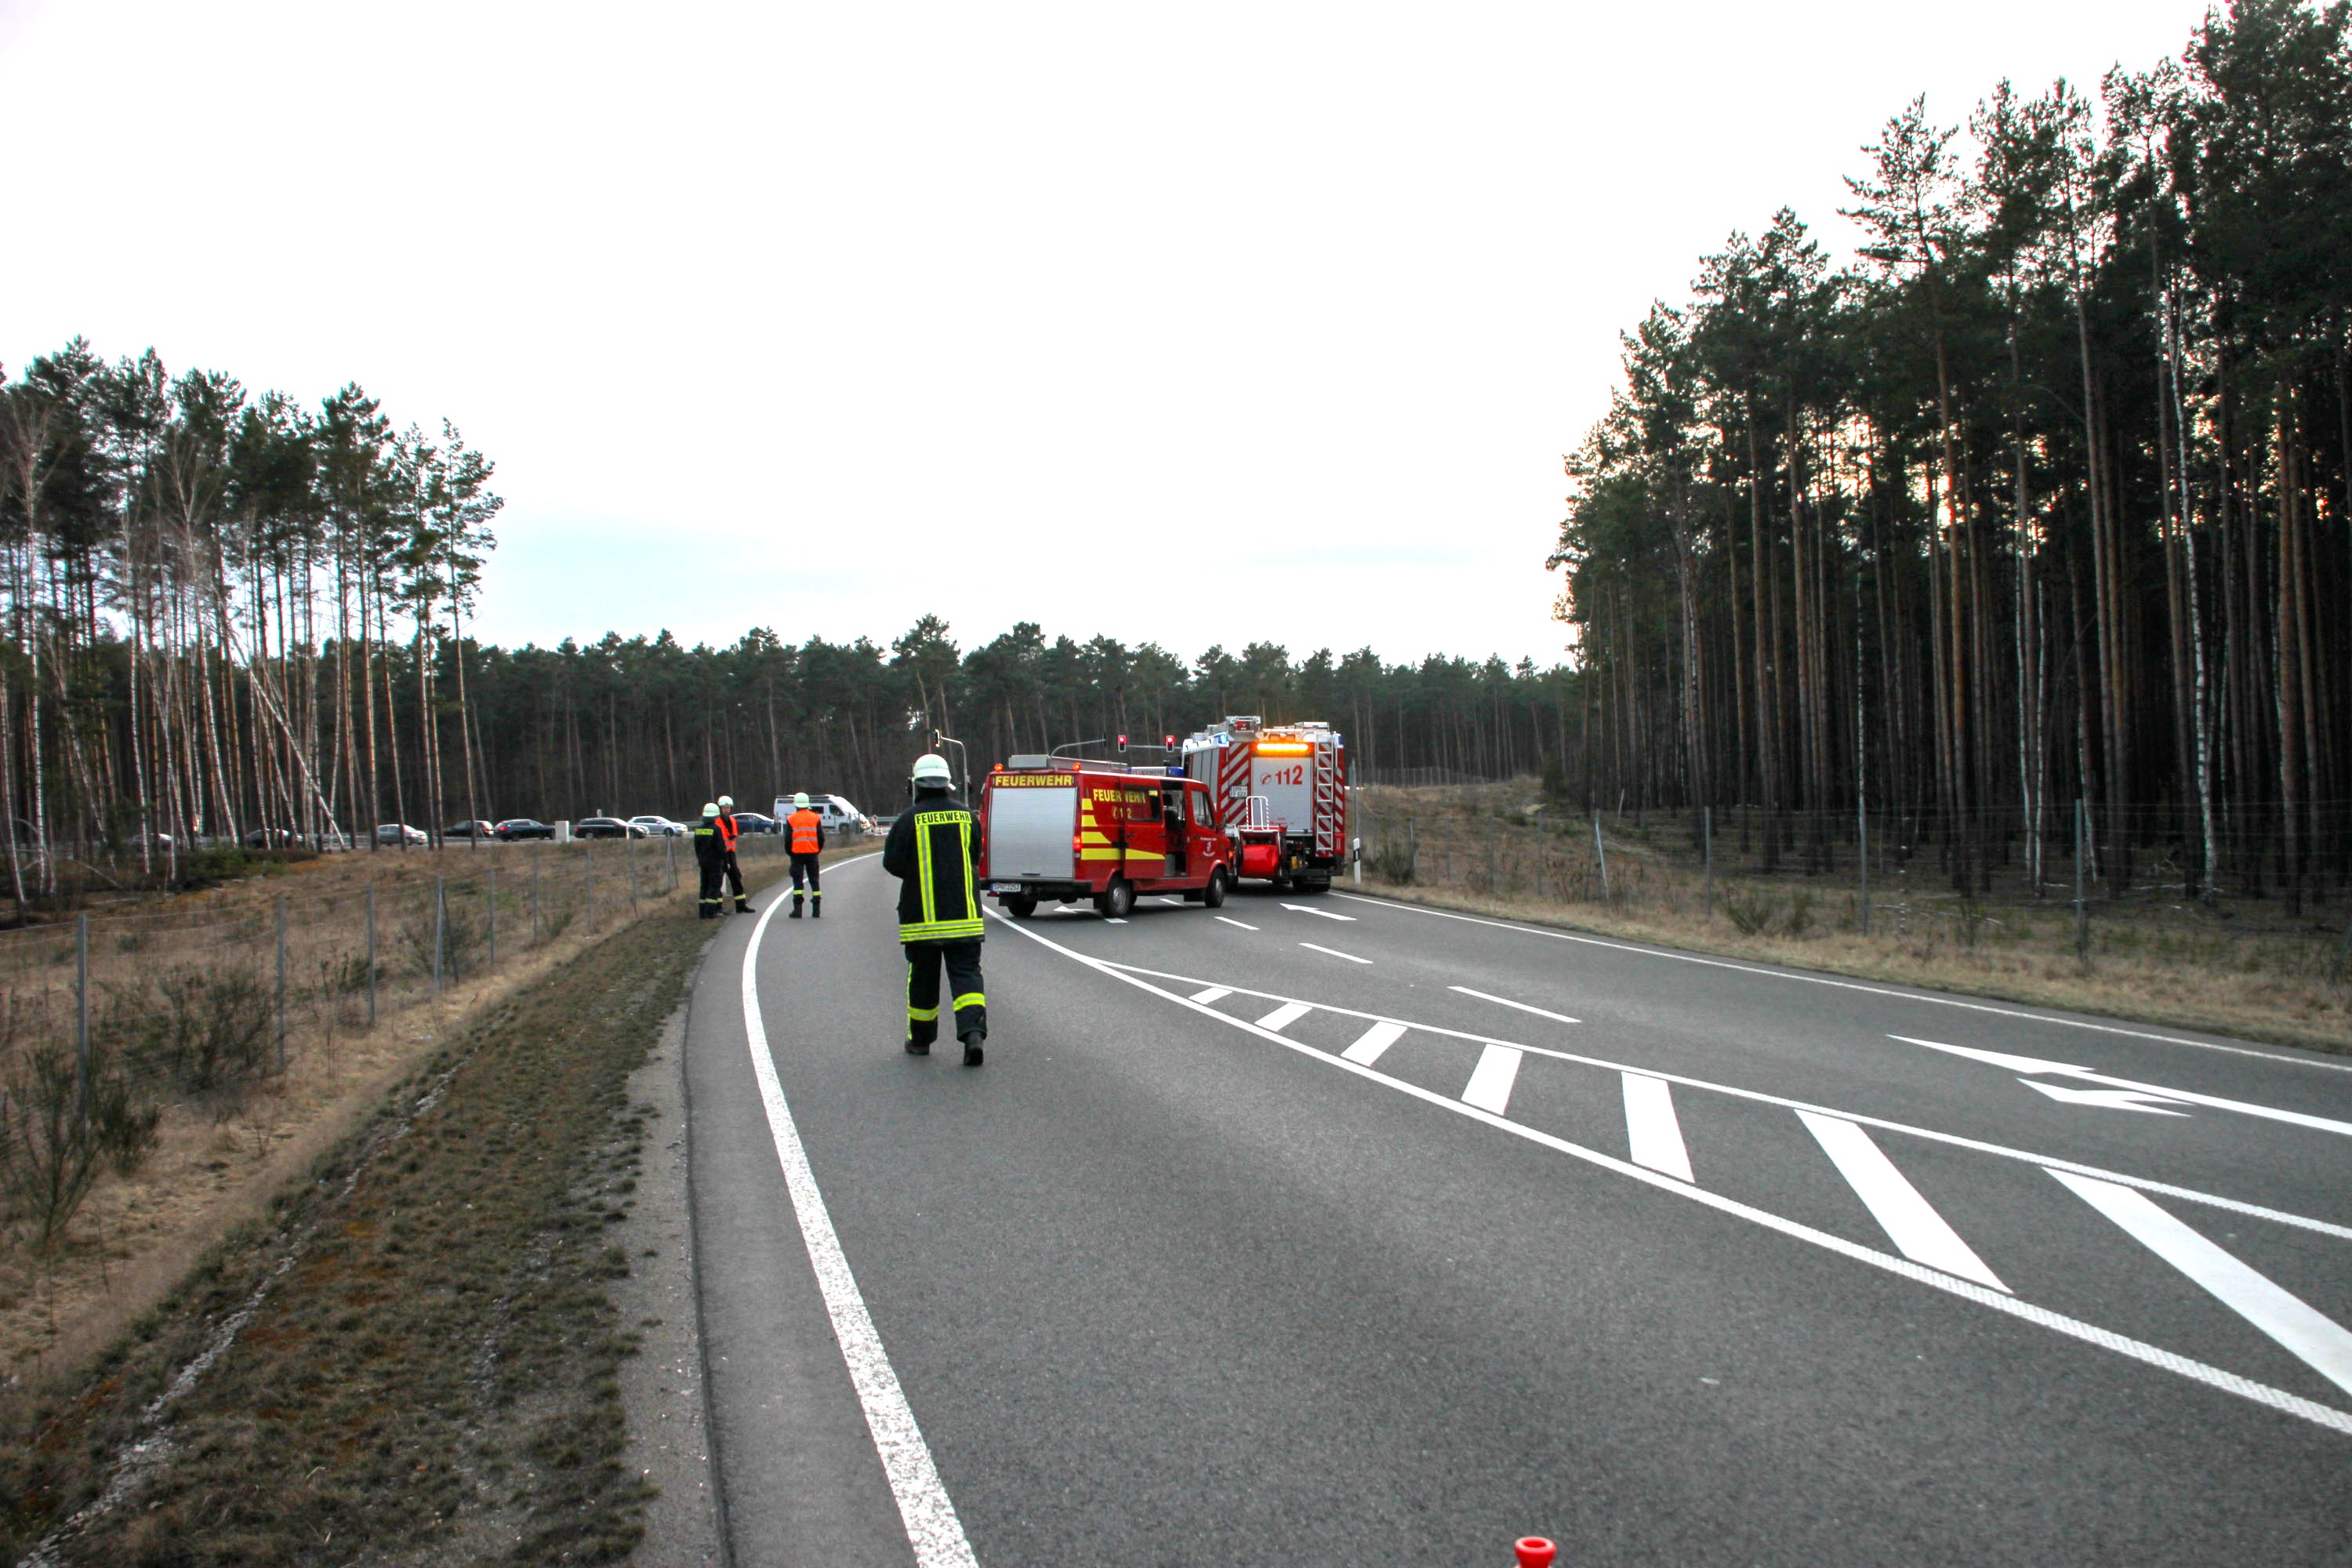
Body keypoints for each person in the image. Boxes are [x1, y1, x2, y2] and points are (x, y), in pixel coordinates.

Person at [883, 753, 986, 1065]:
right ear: (948, 785)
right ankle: (973, 1035)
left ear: (916, 785)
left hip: (922, 922)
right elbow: (975, 855)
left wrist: (919, 874)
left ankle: (921, 1041)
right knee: (967, 976)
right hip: (965, 917)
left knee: (923, 980)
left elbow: (892, 863)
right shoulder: (968, 817)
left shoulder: (907, 820)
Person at [786, 791, 825, 918]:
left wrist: (790, 853)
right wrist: (817, 850)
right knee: (814, 880)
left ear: (796, 805)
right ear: (807, 804)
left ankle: (797, 910)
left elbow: (788, 840)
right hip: (812, 853)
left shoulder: (791, 819)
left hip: (797, 855)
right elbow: (821, 837)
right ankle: (816, 910)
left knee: (798, 882)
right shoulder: (815, 817)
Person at [715, 794, 750, 913]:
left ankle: (741, 906)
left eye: (729, 808)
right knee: (718, 880)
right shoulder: (717, 822)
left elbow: (733, 835)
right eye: (725, 808)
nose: (727, 810)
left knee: (736, 878)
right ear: (721, 808)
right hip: (720, 854)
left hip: (731, 854)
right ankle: (718, 907)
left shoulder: (733, 821)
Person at [691, 802, 726, 919]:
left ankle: (702, 913)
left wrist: (700, 859)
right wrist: (725, 861)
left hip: (703, 863)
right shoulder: (716, 829)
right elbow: (721, 848)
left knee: (704, 886)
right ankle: (710, 913)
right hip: (715, 863)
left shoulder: (698, 830)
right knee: (714, 887)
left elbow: (696, 847)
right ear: (715, 816)